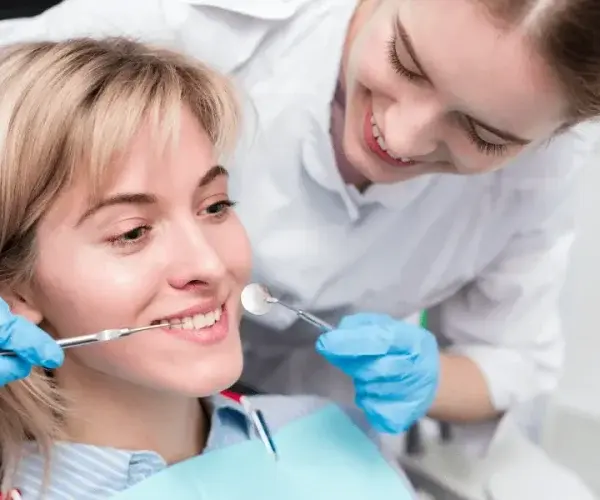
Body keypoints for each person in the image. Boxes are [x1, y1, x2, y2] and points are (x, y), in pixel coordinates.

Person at [0, 0, 599, 450]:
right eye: (404, 63)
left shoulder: (540, 180)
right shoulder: (187, 21)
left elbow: (514, 358)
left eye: (482, 133)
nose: (401, 136)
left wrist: (428, 378)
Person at [0, 37, 419, 499]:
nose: (209, 263)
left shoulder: (333, 435)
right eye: (133, 232)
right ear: (17, 289)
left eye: (215, 206)